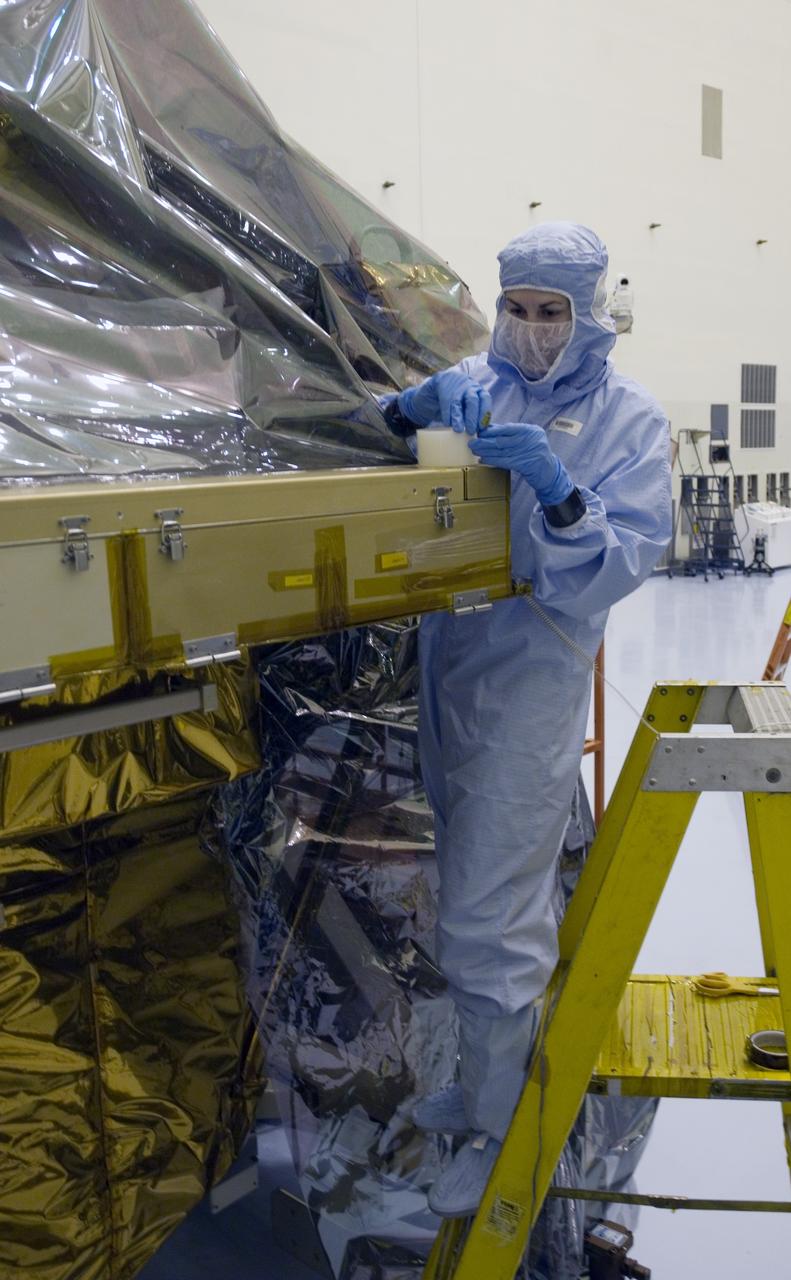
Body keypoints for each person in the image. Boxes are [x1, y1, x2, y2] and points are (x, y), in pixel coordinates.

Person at [382, 222, 672, 1217]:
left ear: (586, 317)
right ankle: (481, 1083)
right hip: (447, 668)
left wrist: (556, 492)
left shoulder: (627, 418)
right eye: (517, 308)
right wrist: (408, 406)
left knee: (487, 925)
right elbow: (380, 432)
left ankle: (509, 1137)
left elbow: (627, 555)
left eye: (553, 313)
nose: (533, 328)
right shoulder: (479, 378)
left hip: (527, 683)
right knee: (467, 896)